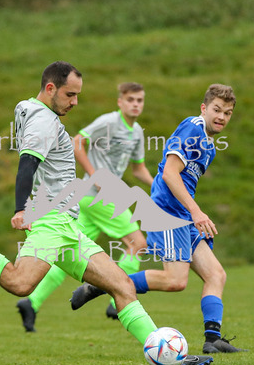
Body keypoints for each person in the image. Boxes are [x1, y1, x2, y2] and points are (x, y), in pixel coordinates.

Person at [0, 61, 212, 365]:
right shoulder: (43, 121)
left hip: (67, 225)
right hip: (51, 222)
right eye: (70, 94)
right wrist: (20, 208)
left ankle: (170, 356)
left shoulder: (36, 113)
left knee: (122, 285)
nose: (75, 102)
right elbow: (27, 164)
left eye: (77, 95)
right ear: (50, 88)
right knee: (20, 283)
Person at [70, 84, 246, 354]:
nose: (222, 116)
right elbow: (169, 174)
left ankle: (213, 340)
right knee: (175, 281)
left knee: (216, 275)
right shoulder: (193, 129)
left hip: (183, 215)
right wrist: (196, 212)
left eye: (228, 113)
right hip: (168, 213)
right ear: (204, 108)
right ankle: (102, 285)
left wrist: (192, 214)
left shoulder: (209, 145)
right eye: (217, 110)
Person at [15, 82, 153, 332]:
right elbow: (77, 142)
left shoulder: (137, 133)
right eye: (130, 99)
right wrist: (94, 175)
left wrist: (158, 188)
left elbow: (138, 168)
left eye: (140, 100)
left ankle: (32, 302)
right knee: (138, 243)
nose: (135, 104)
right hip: (100, 197)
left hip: (88, 202)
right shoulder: (109, 122)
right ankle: (117, 299)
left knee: (67, 252)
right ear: (120, 102)